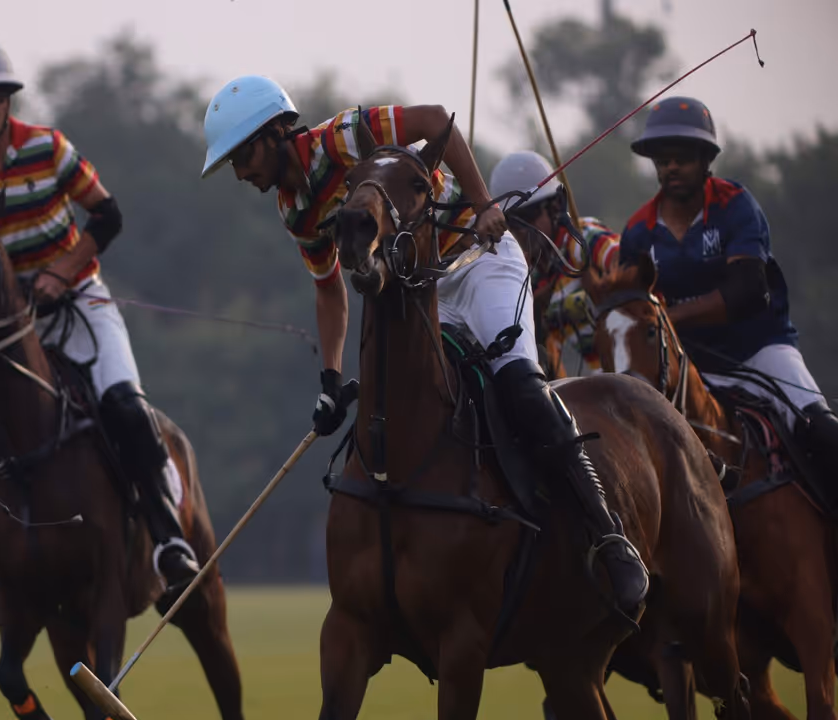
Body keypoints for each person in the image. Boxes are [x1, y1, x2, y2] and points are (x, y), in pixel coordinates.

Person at [200, 76, 649, 615]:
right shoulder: (294, 209)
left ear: (275, 132)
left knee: (519, 384)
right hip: (425, 289)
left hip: (480, 259)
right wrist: (330, 380)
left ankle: (607, 531)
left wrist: (484, 204)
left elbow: (436, 120)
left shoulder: (342, 137)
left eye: (242, 156)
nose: (240, 173)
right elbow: (329, 290)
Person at [0, 40, 201, 619]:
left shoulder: (49, 148)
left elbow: (108, 216)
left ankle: (167, 539)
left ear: (8, 101)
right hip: (10, 326)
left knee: (125, 405)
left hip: (80, 301)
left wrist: (60, 272)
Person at [622, 96, 838, 475]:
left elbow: (749, 292)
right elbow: (630, 311)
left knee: (820, 428)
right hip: (689, 366)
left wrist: (669, 317)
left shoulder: (736, 205)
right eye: (663, 159)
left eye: (682, 157)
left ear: (706, 159)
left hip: (759, 350)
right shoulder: (638, 231)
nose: (672, 167)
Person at [489, 151, 621, 375]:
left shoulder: (581, 239)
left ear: (556, 206)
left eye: (529, 215)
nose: (522, 230)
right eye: (513, 220)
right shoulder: (520, 271)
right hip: (572, 389)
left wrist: (605, 288)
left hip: (626, 377)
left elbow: (626, 261)